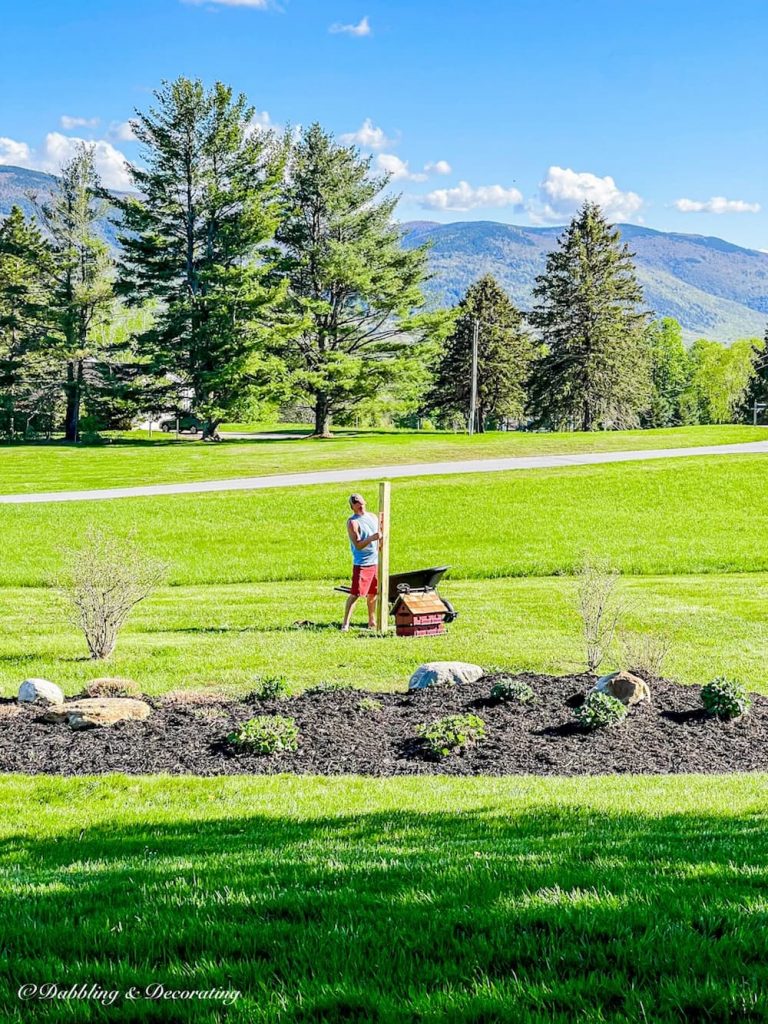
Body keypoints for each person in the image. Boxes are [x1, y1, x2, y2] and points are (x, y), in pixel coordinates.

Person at [341, 493, 383, 631]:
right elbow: (358, 545)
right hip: (362, 563)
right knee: (356, 593)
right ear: (352, 507)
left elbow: (381, 533)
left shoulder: (372, 517)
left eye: (361, 503)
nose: (360, 506)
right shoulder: (353, 522)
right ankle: (345, 623)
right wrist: (372, 538)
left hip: (376, 560)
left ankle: (372, 621)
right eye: (356, 504)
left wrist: (380, 538)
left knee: (373, 593)